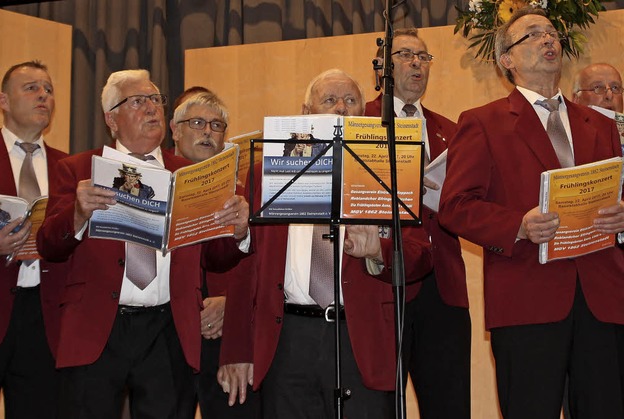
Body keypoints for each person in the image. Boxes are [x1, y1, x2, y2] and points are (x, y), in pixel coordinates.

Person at [439, 7, 624, 419]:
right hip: (527, 298)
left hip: (602, 298)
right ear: (507, 60)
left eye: (553, 33)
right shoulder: (482, 122)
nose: (548, 40)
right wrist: (517, 226)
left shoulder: (600, 123)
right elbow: (455, 206)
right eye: (534, 34)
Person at [218, 68, 434, 419]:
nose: (340, 109)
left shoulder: (388, 170)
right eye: (329, 100)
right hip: (286, 338)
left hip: (360, 338)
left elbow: (421, 258)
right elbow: (248, 269)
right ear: (305, 113)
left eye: (350, 101)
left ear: (364, 114)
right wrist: (236, 348)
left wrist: (376, 253)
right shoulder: (267, 171)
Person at [36, 69, 249, 419]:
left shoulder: (189, 173)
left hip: (168, 330)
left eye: (156, 100)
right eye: (138, 101)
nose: (152, 108)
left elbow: (213, 256)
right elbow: (49, 245)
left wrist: (239, 232)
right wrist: (77, 214)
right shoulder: (77, 170)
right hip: (97, 328)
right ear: (111, 119)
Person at [364, 27, 471, 419]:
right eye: (406, 55)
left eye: (423, 57)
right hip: (382, 279)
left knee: (449, 403)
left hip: (443, 285)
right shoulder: (361, 119)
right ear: (382, 69)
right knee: (381, 405)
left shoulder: (453, 131)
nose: (416, 64)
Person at [0, 60, 68, 419]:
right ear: (3, 100)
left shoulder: (71, 167)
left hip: (47, 318)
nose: (43, 96)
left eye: (48, 89)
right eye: (31, 87)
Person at [170, 89, 261, 418]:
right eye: (197, 123)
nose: (208, 131)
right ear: (175, 130)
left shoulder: (242, 192)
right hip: (165, 338)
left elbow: (257, 263)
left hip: (224, 334)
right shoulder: (153, 183)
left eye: (217, 125)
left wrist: (231, 305)